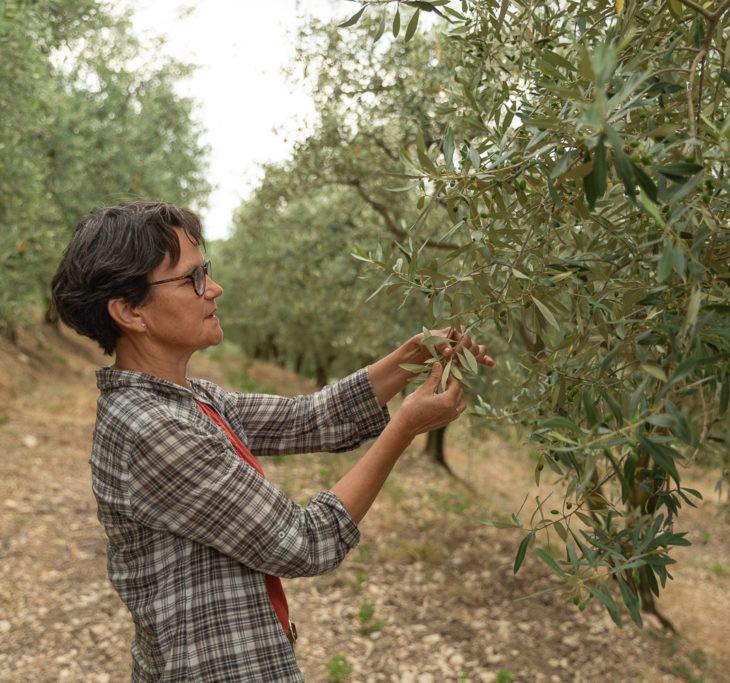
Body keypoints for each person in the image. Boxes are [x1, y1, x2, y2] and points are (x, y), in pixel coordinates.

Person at [49, 200, 493, 681]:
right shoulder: (155, 429)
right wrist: (403, 428)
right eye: (191, 280)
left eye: (208, 272)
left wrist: (410, 357)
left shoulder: (188, 400)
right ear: (130, 311)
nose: (214, 289)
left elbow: (310, 417)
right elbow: (304, 541)